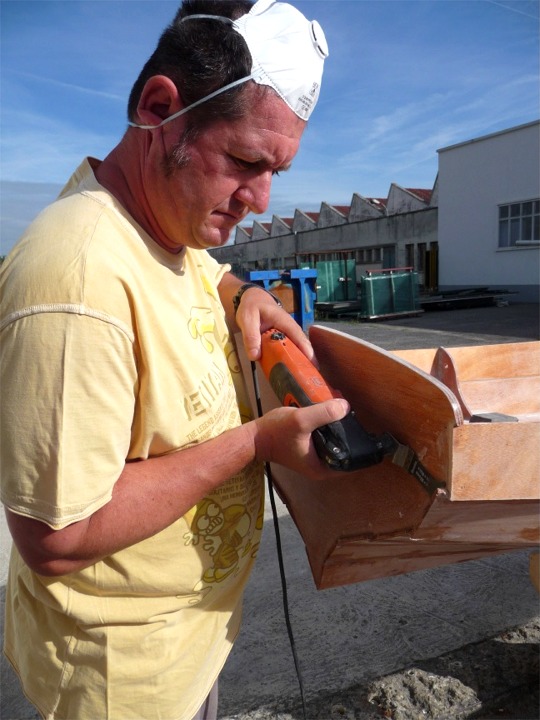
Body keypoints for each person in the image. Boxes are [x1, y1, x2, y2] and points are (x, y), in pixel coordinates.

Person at [0, 1, 346, 718]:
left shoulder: (162, 221)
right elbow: (57, 540)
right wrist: (255, 442)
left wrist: (245, 290)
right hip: (123, 683)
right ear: (162, 108)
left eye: (277, 170)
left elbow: (197, 266)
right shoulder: (74, 280)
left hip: (187, 646)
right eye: (247, 161)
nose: (259, 199)